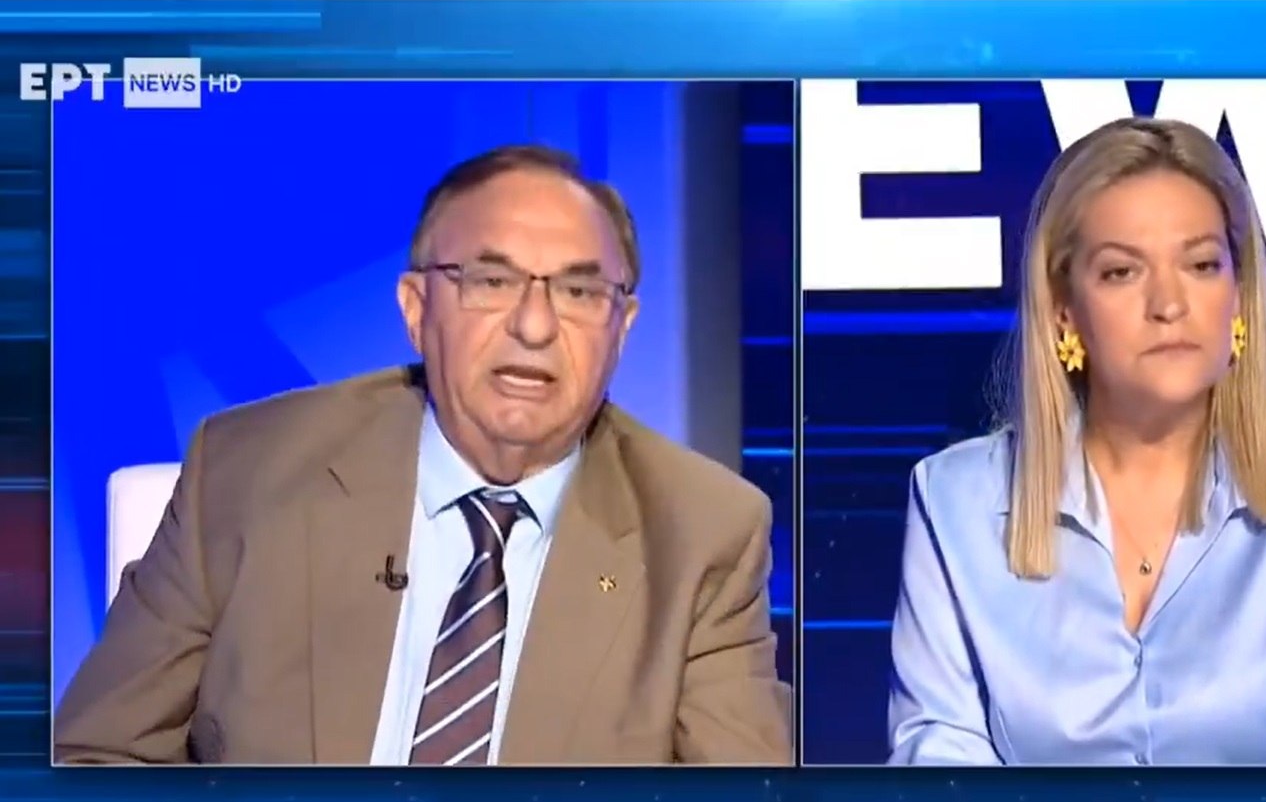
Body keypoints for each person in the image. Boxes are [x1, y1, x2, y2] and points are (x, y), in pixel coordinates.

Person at [54, 144, 792, 766]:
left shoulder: (702, 535)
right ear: (415, 309)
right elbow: (98, 757)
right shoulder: (245, 471)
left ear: (622, 327)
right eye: (491, 281)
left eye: (578, 290)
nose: (535, 326)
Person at [886, 118, 1266, 766]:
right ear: (1063, 310)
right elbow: (938, 752)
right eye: (1121, 272)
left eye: (1201, 265)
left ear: (1238, 295)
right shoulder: (955, 500)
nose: (1168, 303)